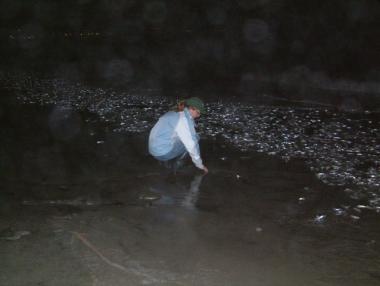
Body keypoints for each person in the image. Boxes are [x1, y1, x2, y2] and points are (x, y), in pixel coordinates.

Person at [149, 97, 208, 174]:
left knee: (184, 136)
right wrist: (200, 165)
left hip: (153, 149)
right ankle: (177, 165)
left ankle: (164, 161)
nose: (198, 116)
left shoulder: (174, 113)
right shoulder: (183, 119)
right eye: (198, 112)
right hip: (161, 153)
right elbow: (191, 144)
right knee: (195, 138)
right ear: (192, 109)